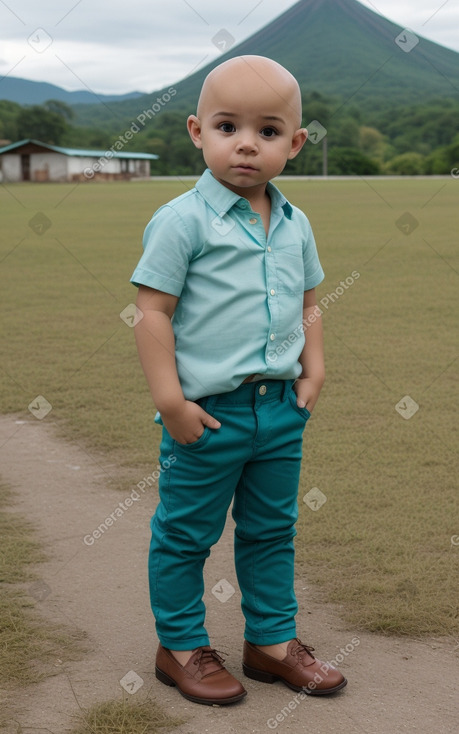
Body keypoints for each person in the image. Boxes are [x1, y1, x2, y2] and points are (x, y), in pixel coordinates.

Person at [131, 55, 347, 706]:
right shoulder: (181, 221)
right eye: (228, 127)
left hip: (279, 411)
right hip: (208, 415)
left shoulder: (294, 223)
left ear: (296, 143)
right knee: (186, 534)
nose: (246, 143)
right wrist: (171, 401)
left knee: (270, 531)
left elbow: (310, 300)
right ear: (198, 132)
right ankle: (180, 646)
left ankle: (272, 644)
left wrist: (314, 368)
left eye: (268, 130)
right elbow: (150, 312)